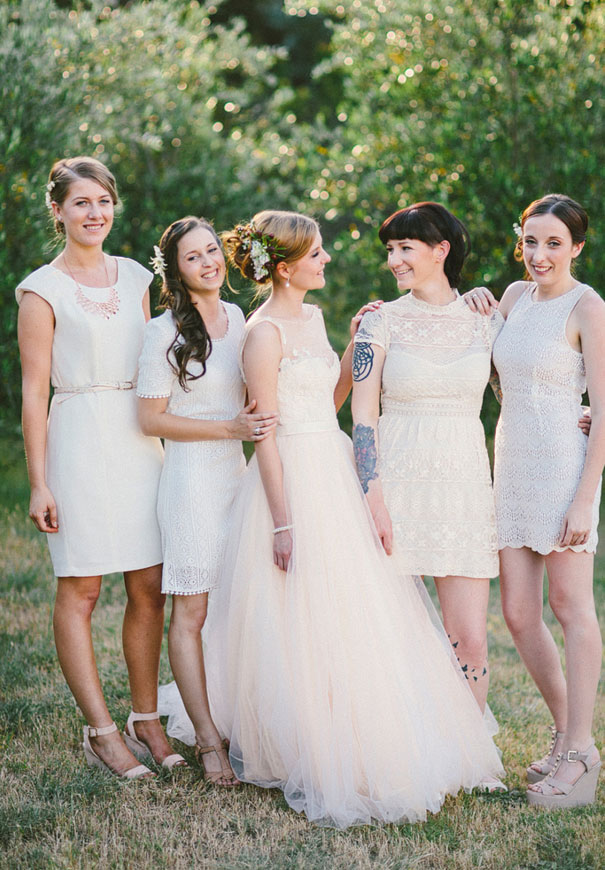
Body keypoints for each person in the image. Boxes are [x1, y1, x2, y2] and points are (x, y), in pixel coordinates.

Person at [204, 209, 504, 828]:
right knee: (320, 620)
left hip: (340, 464)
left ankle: (443, 744)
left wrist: (349, 345)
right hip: (302, 477)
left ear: (441, 250)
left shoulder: (317, 318)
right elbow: (270, 427)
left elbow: (328, 399)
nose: (329, 259)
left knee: (373, 622)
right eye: (316, 253)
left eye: (403, 248)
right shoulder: (265, 334)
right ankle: (312, 740)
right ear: (283, 267)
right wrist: (286, 519)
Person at [16, 156, 183, 780]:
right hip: (79, 437)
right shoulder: (41, 291)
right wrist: (39, 482)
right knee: (82, 588)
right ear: (58, 211)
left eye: (104, 201)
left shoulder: (136, 276)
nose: (95, 214)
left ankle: (146, 718)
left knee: (149, 585)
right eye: (82, 203)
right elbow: (34, 391)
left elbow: (157, 361)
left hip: (139, 439)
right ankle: (101, 730)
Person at [350, 203, 502, 739]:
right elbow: (362, 417)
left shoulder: (487, 319)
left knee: (471, 638)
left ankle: (469, 750)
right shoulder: (380, 321)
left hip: (463, 490)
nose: (394, 260)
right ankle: (395, 744)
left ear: (441, 250)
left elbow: (519, 394)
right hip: (394, 489)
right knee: (389, 634)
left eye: (405, 248)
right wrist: (372, 495)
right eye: (390, 250)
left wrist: (583, 414)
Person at [136, 216, 278, 785]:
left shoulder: (241, 318)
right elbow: (150, 419)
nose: (208, 262)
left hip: (237, 480)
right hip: (192, 482)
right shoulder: (162, 332)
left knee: (236, 606)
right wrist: (227, 430)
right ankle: (208, 740)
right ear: (176, 270)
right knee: (191, 613)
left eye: (212, 250)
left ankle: (242, 720)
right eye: (193, 256)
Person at [489, 194, 603, 808]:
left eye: (553, 243)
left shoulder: (588, 307)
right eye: (531, 241)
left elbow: (604, 412)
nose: (539, 254)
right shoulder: (513, 297)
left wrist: (584, 500)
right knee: (516, 611)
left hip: (563, 468)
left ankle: (582, 752)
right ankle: (565, 734)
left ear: (576, 247)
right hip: (512, 466)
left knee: (569, 605)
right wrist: (476, 303)